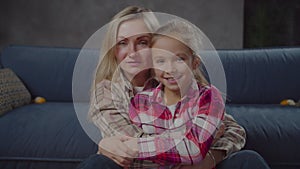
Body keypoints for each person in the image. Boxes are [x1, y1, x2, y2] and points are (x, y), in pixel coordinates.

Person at [76, 6, 270, 169]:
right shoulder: (107, 91)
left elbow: (233, 130)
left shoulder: (183, 86)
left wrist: (208, 159)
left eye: (142, 42)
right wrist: (196, 141)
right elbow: (135, 147)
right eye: (122, 43)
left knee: (248, 160)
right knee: (97, 163)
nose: (132, 52)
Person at [127, 19, 225, 167]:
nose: (170, 69)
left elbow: (194, 150)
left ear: (194, 63)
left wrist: (138, 145)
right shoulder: (140, 102)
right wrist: (183, 137)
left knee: (248, 158)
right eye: (160, 61)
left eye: (179, 59)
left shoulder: (208, 97)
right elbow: (129, 156)